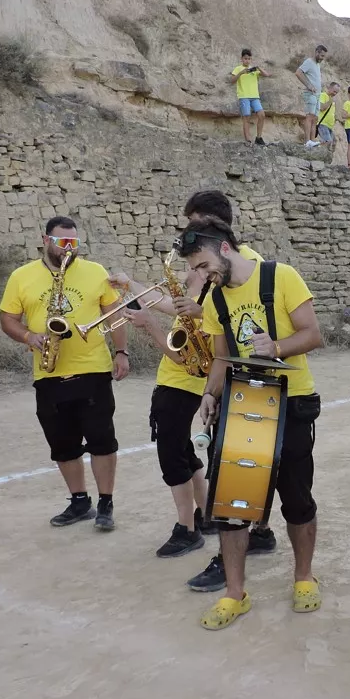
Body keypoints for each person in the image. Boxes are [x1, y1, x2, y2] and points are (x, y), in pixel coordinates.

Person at [119, 190, 277, 581]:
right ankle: (230, 531)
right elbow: (184, 304)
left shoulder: (247, 263)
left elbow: (237, 316)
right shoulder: (200, 263)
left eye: (193, 223)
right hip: (200, 371)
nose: (187, 232)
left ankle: (245, 533)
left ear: (213, 224)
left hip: (224, 371)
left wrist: (182, 318)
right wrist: (135, 286)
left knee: (240, 461)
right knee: (224, 460)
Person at [176, 218, 326, 630]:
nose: (202, 275)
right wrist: (210, 394)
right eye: (195, 269)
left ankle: (304, 578)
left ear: (225, 249)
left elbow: (313, 334)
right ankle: (234, 594)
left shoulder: (281, 276)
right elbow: (221, 357)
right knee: (231, 506)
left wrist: (275, 346)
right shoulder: (214, 299)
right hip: (242, 406)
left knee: (297, 500)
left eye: (204, 265)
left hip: (292, 402)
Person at [0, 216, 129, 532]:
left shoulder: (95, 271)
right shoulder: (21, 276)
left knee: (101, 440)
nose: (69, 248)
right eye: (62, 242)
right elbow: (7, 318)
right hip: (49, 372)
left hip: (93, 369)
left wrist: (121, 352)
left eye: (74, 242)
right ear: (46, 240)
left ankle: (106, 503)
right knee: (62, 442)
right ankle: (79, 500)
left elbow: (114, 315)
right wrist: (29, 336)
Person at [229, 48, 270, 145]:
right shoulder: (238, 68)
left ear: (251, 59)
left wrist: (259, 68)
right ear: (241, 59)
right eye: (245, 58)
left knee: (262, 115)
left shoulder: (254, 70)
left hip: (255, 97)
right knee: (246, 117)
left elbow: (266, 75)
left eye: (249, 59)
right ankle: (248, 140)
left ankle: (258, 138)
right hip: (244, 96)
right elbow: (232, 81)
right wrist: (241, 73)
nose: (247, 60)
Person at [294, 43, 327, 147]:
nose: (322, 58)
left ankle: (312, 141)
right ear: (316, 52)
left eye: (324, 56)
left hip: (317, 95)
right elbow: (298, 72)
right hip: (310, 94)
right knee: (309, 116)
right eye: (321, 55)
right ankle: (307, 141)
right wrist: (309, 85)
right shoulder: (309, 62)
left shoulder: (317, 64)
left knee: (315, 118)